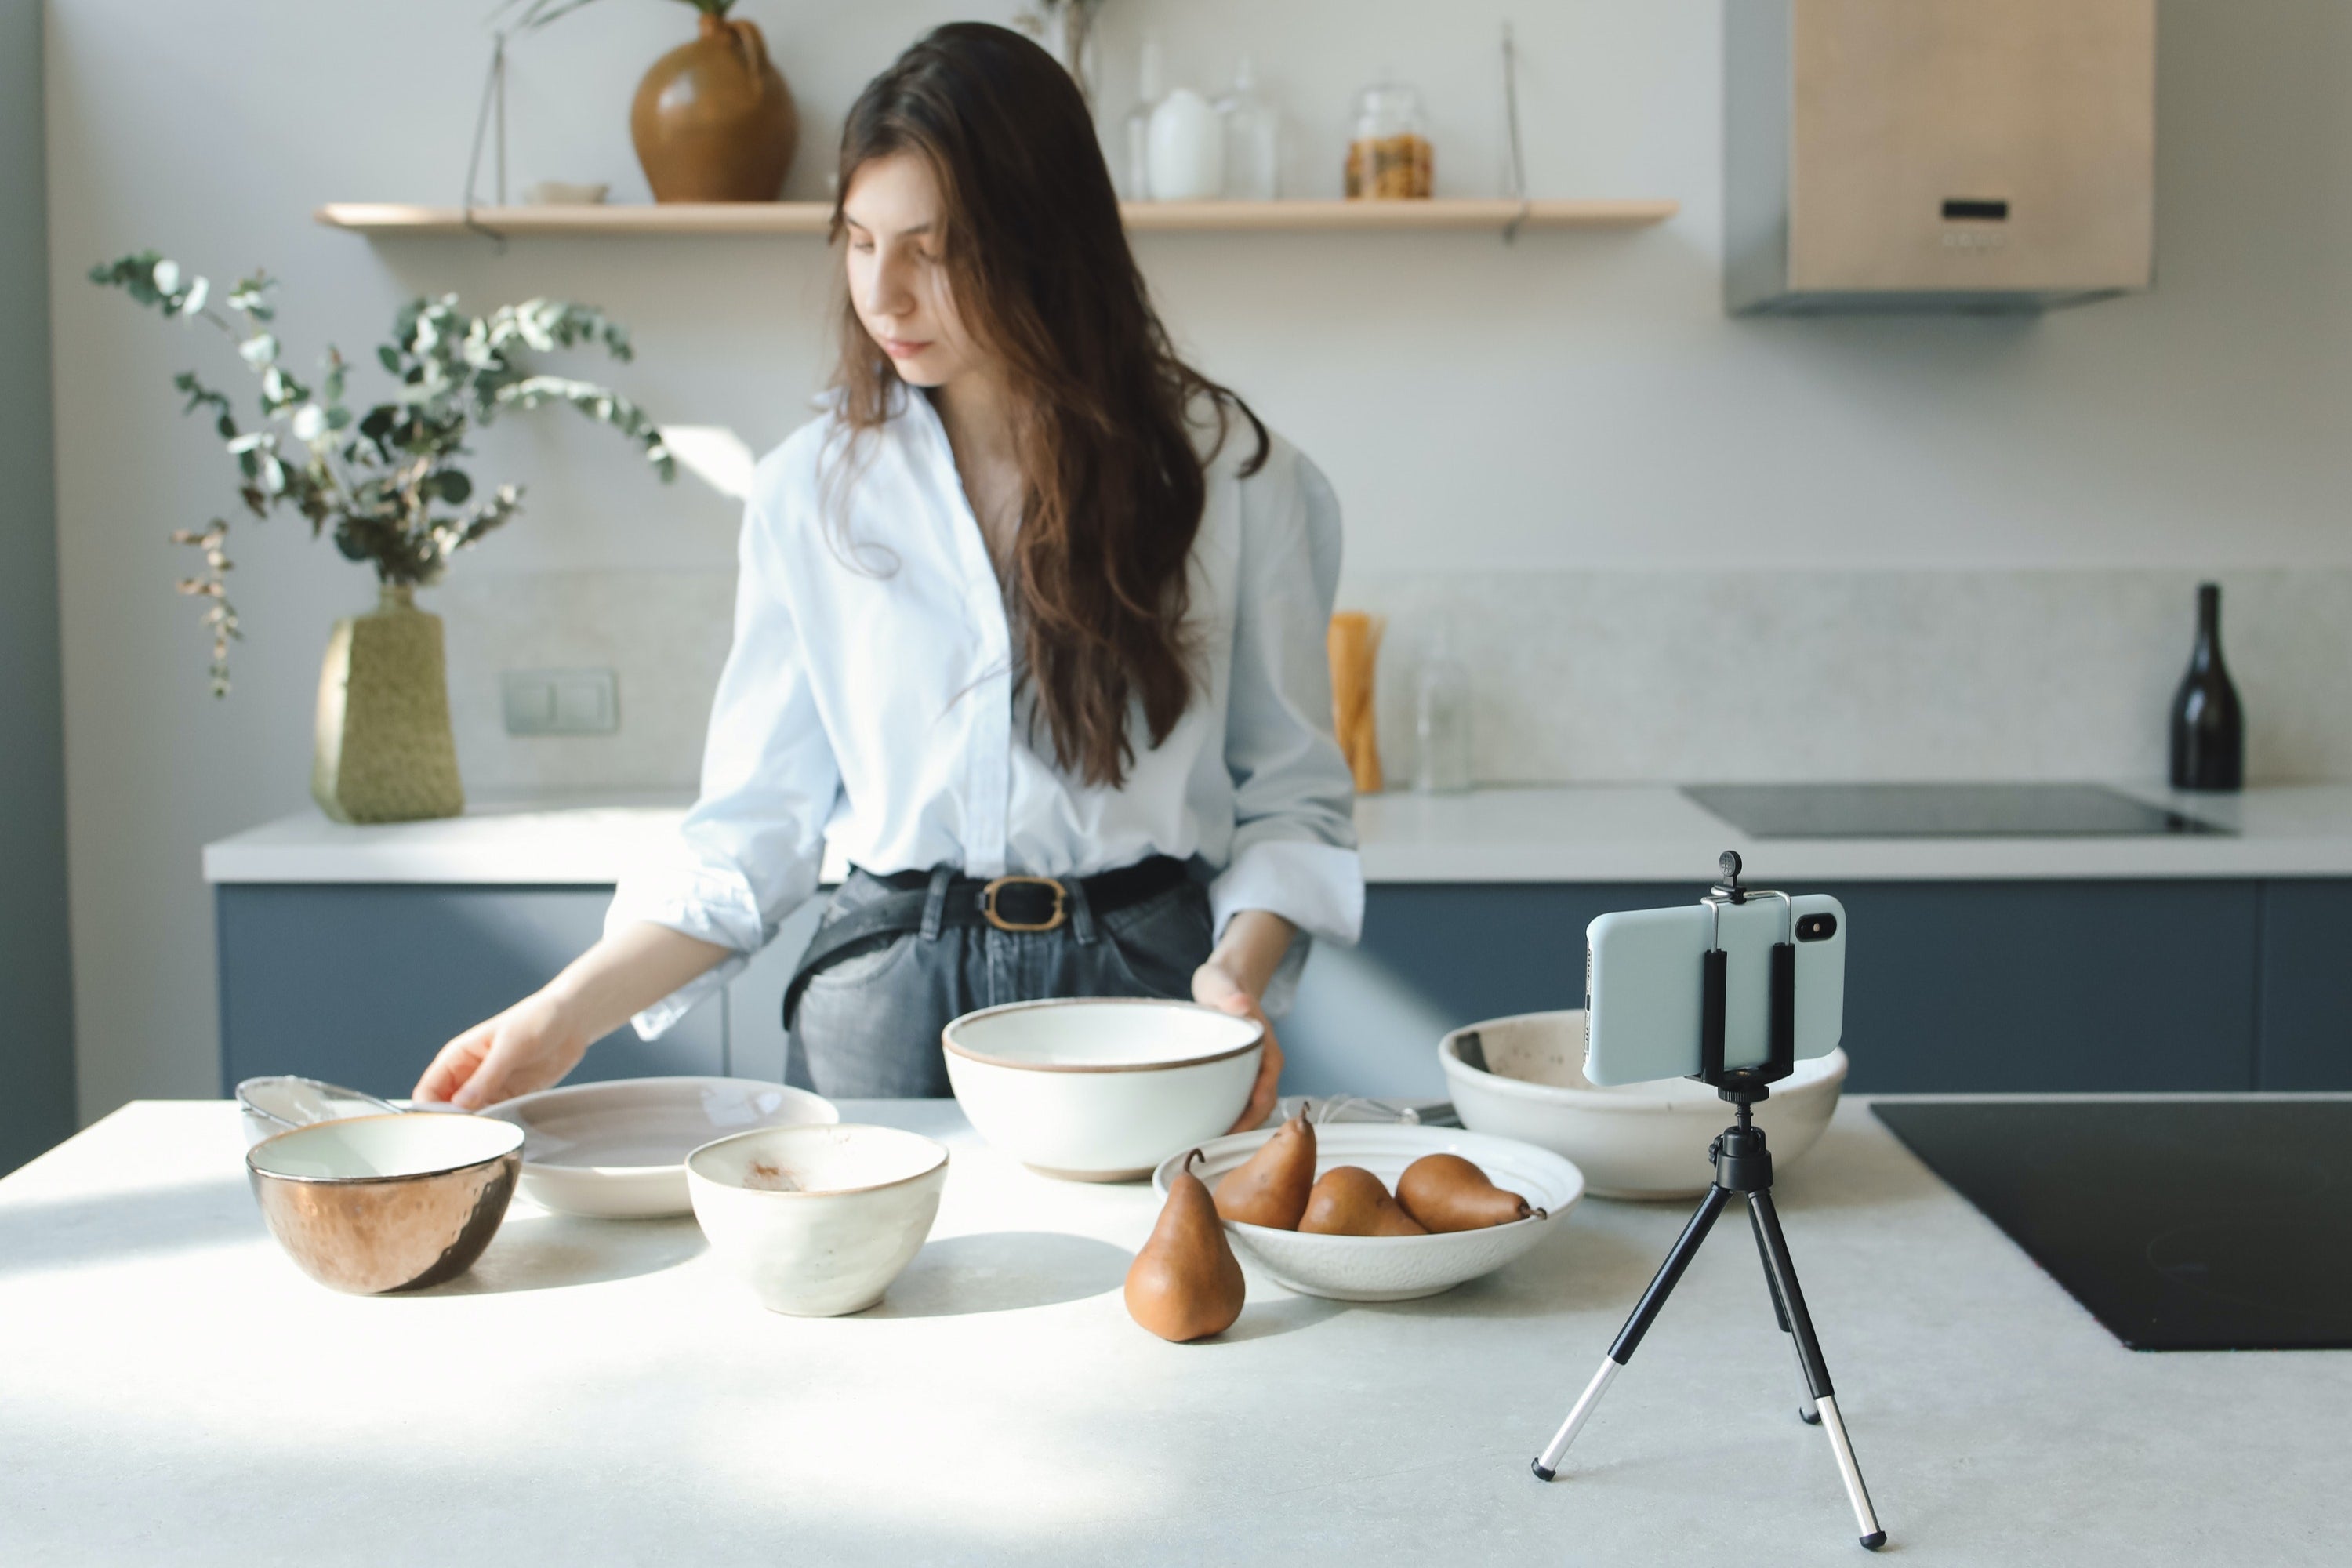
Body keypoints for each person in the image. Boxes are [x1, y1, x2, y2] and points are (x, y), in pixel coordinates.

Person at [412, 22, 1361, 1131]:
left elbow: (1294, 806)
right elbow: (752, 834)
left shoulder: (1236, 478)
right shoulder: (809, 490)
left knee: (1141, 1300)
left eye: (934, 248)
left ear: (1045, 242)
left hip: (1149, 994)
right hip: (882, 990)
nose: (885, 294)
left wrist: (1232, 979)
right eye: (859, 241)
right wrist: (563, 1014)